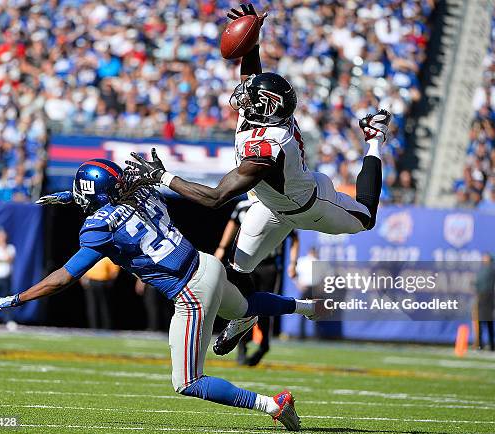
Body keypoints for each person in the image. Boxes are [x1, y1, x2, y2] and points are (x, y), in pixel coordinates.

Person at [124, 3, 390, 357]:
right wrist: (252, 38)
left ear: (266, 108)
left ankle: (374, 138)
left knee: (366, 220)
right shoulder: (262, 117)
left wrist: (163, 176)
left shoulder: (268, 147)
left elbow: (216, 198)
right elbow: (252, 76)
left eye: (251, 99)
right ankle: (246, 317)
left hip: (310, 206)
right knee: (235, 272)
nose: (242, 96)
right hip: (268, 206)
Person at [0, 158, 330, 431]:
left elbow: (62, 278)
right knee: (245, 305)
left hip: (190, 291)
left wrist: (18, 298)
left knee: (188, 381)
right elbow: (114, 194)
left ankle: (272, 404)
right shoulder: (143, 194)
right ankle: (306, 307)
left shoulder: (98, 230)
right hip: (205, 262)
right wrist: (69, 197)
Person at [215, 196, 299, 366]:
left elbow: (294, 236)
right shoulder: (243, 206)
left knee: (265, 309)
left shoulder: (277, 204)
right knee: (241, 305)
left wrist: (293, 262)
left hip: (268, 266)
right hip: (245, 266)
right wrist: (222, 248)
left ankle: (263, 346)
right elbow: (232, 225)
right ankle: (241, 347)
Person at [80, 257, 119, 330]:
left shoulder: (108, 257)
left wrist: (110, 282)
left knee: (105, 305)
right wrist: (83, 279)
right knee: (92, 306)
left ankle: (107, 328)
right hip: (91, 282)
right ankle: (93, 327)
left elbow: (114, 271)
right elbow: (82, 268)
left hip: (104, 282)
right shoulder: (91, 256)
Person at [294, 247, 319, 340]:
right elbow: (294, 273)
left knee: (315, 311)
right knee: (304, 311)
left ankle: (315, 335)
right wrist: (298, 284)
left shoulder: (317, 261)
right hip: (305, 288)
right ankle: (301, 334)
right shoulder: (303, 261)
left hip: (313, 288)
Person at [475, 253, 495, 352]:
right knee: (480, 322)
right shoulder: (482, 270)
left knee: (488, 322)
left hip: (487, 298)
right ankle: (480, 344)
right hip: (482, 298)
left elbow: (481, 283)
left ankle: (491, 345)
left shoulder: (490, 270)